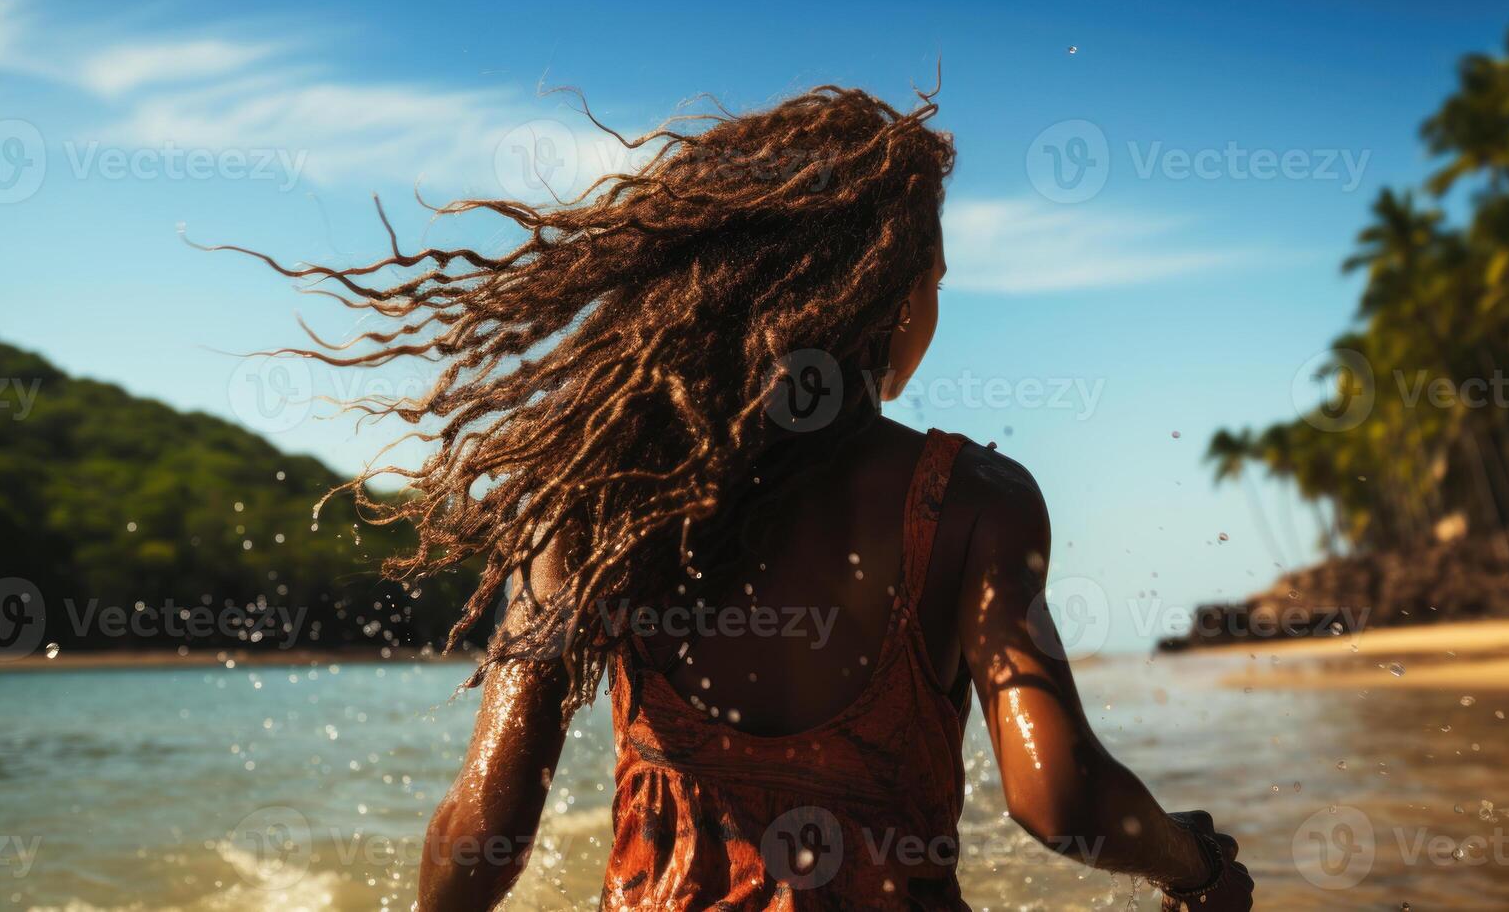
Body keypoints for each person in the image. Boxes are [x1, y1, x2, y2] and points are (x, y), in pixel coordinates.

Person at [262, 83, 1254, 910]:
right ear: (889, 292)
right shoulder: (971, 505)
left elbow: (483, 828)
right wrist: (1195, 865)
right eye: (936, 280)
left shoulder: (594, 497)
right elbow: (1062, 796)